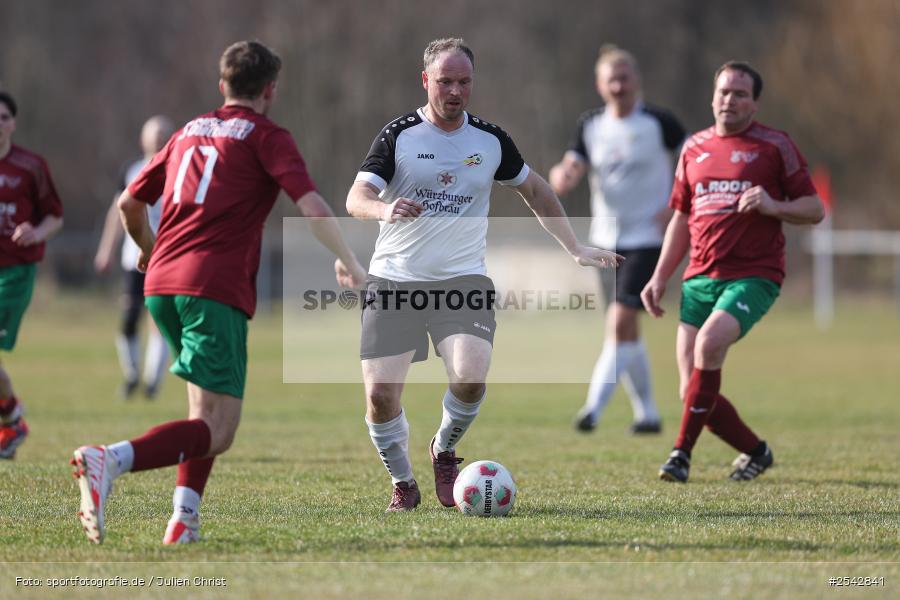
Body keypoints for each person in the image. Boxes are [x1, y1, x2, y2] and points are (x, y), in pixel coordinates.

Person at [72, 40, 367, 544]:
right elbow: (313, 208)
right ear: (270, 90)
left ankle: (183, 521)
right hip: (211, 287)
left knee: (201, 413)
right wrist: (350, 261)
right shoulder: (267, 136)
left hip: (161, 285)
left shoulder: (187, 131)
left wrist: (149, 249)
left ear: (222, 85)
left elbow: (128, 204)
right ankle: (109, 460)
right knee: (219, 430)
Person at [346, 38, 623, 512]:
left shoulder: (490, 140)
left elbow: (536, 191)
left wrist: (574, 247)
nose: (455, 91)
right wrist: (384, 209)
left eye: (464, 81)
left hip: (463, 281)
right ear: (426, 80)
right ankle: (403, 483)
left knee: (471, 378)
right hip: (395, 279)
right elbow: (356, 198)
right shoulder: (399, 136)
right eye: (445, 81)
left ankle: (444, 450)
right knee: (380, 397)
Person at [641, 61, 824, 483]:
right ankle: (757, 452)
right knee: (691, 392)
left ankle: (680, 455)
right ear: (713, 98)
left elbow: (815, 208)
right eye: (724, 92)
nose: (730, 100)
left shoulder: (774, 146)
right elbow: (681, 218)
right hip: (699, 277)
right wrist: (660, 275)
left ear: (754, 103)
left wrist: (774, 206)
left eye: (740, 94)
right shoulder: (694, 148)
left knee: (708, 345)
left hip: (754, 275)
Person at [549, 45, 685, 435]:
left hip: (648, 238)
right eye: (612, 79)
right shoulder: (590, 125)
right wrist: (561, 177)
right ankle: (649, 416)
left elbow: (694, 158)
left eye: (625, 78)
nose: (619, 86)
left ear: (636, 80)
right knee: (626, 331)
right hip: (603, 239)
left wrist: (676, 203)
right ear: (600, 84)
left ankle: (592, 408)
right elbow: (570, 165)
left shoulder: (659, 122)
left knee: (620, 320)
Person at [0, 91, 64, 459]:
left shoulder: (30, 166)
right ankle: (12, 420)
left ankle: (11, 420)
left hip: (13, 274)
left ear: (13, 123)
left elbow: (55, 216)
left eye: (4, 117)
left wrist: (36, 232)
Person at [94, 116, 175, 400]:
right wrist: (106, 249)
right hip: (134, 257)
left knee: (159, 318)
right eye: (153, 133)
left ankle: (153, 381)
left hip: (168, 256)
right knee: (129, 317)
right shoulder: (132, 170)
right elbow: (118, 212)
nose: (158, 137)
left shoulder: (179, 168)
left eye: (163, 133)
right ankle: (131, 375)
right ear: (143, 138)